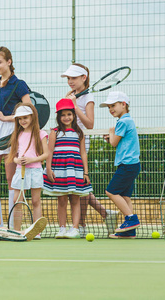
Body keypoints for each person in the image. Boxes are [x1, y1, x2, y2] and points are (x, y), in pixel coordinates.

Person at [62, 64, 118, 236]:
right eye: (68, 78)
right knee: (77, 186)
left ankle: (82, 225)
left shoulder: (89, 98)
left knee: (79, 186)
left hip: (79, 143)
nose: (70, 81)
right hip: (67, 142)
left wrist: (74, 106)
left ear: (83, 78)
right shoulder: (72, 95)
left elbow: (90, 124)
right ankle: (105, 214)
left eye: (73, 78)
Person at [0, 46, 33, 224]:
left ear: (9, 62)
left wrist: (8, 118)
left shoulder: (19, 84)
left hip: (12, 133)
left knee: (12, 179)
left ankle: (13, 224)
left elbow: (29, 111)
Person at [43, 98, 92, 239]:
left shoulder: (79, 133)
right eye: (63, 115)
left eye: (69, 114)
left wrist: (85, 172)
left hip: (75, 170)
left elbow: (83, 153)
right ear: (59, 117)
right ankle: (62, 228)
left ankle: (75, 229)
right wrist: (48, 168)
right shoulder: (54, 132)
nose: (66, 117)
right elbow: (49, 152)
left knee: (75, 200)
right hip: (59, 170)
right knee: (62, 200)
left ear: (74, 115)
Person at [100, 92, 141, 239]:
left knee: (111, 192)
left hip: (127, 165)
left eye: (113, 105)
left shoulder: (123, 121)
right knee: (125, 196)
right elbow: (119, 141)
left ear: (123, 104)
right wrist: (111, 136)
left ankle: (131, 219)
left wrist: (111, 133)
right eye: (109, 106)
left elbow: (114, 143)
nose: (111, 109)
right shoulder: (127, 121)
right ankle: (129, 231)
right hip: (132, 165)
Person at [6, 103, 49, 239]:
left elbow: (46, 154)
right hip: (20, 171)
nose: (23, 121)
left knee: (36, 201)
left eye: (25, 117)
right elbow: (12, 156)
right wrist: (17, 160)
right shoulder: (17, 134)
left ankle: (36, 231)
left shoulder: (41, 134)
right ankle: (17, 232)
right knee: (16, 201)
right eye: (20, 118)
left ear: (32, 117)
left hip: (35, 171)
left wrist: (31, 159)